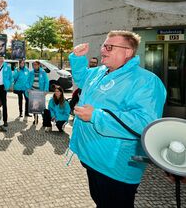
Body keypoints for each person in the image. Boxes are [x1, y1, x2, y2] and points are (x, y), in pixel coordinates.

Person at [69, 30, 166, 208]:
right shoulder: (100, 72)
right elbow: (83, 80)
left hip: (115, 168)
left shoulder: (146, 81)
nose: (102, 50)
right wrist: (77, 59)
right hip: (92, 158)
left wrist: (96, 116)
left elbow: (145, 123)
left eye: (109, 47)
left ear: (128, 52)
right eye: (103, 46)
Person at [0, 56, 13, 127]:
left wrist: (8, 86)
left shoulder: (7, 67)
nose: (1, 60)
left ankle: (5, 120)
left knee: (4, 104)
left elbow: (11, 78)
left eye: (2, 58)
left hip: (3, 87)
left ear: (4, 59)